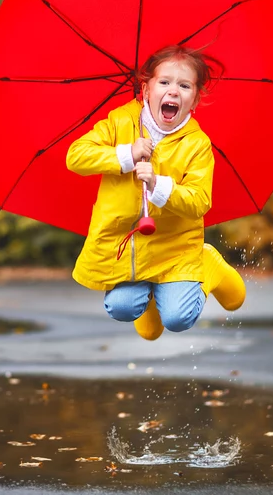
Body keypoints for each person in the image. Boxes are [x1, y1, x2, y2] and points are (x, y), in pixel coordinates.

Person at [65, 44, 245, 341]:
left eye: (184, 85)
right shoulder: (121, 121)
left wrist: (159, 186)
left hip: (175, 251)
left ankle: (208, 265)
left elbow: (199, 202)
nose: (173, 91)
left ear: (195, 99)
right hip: (129, 251)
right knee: (121, 308)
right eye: (164, 82)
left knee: (177, 318)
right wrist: (126, 155)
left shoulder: (197, 145)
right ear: (146, 91)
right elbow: (76, 156)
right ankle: (147, 293)